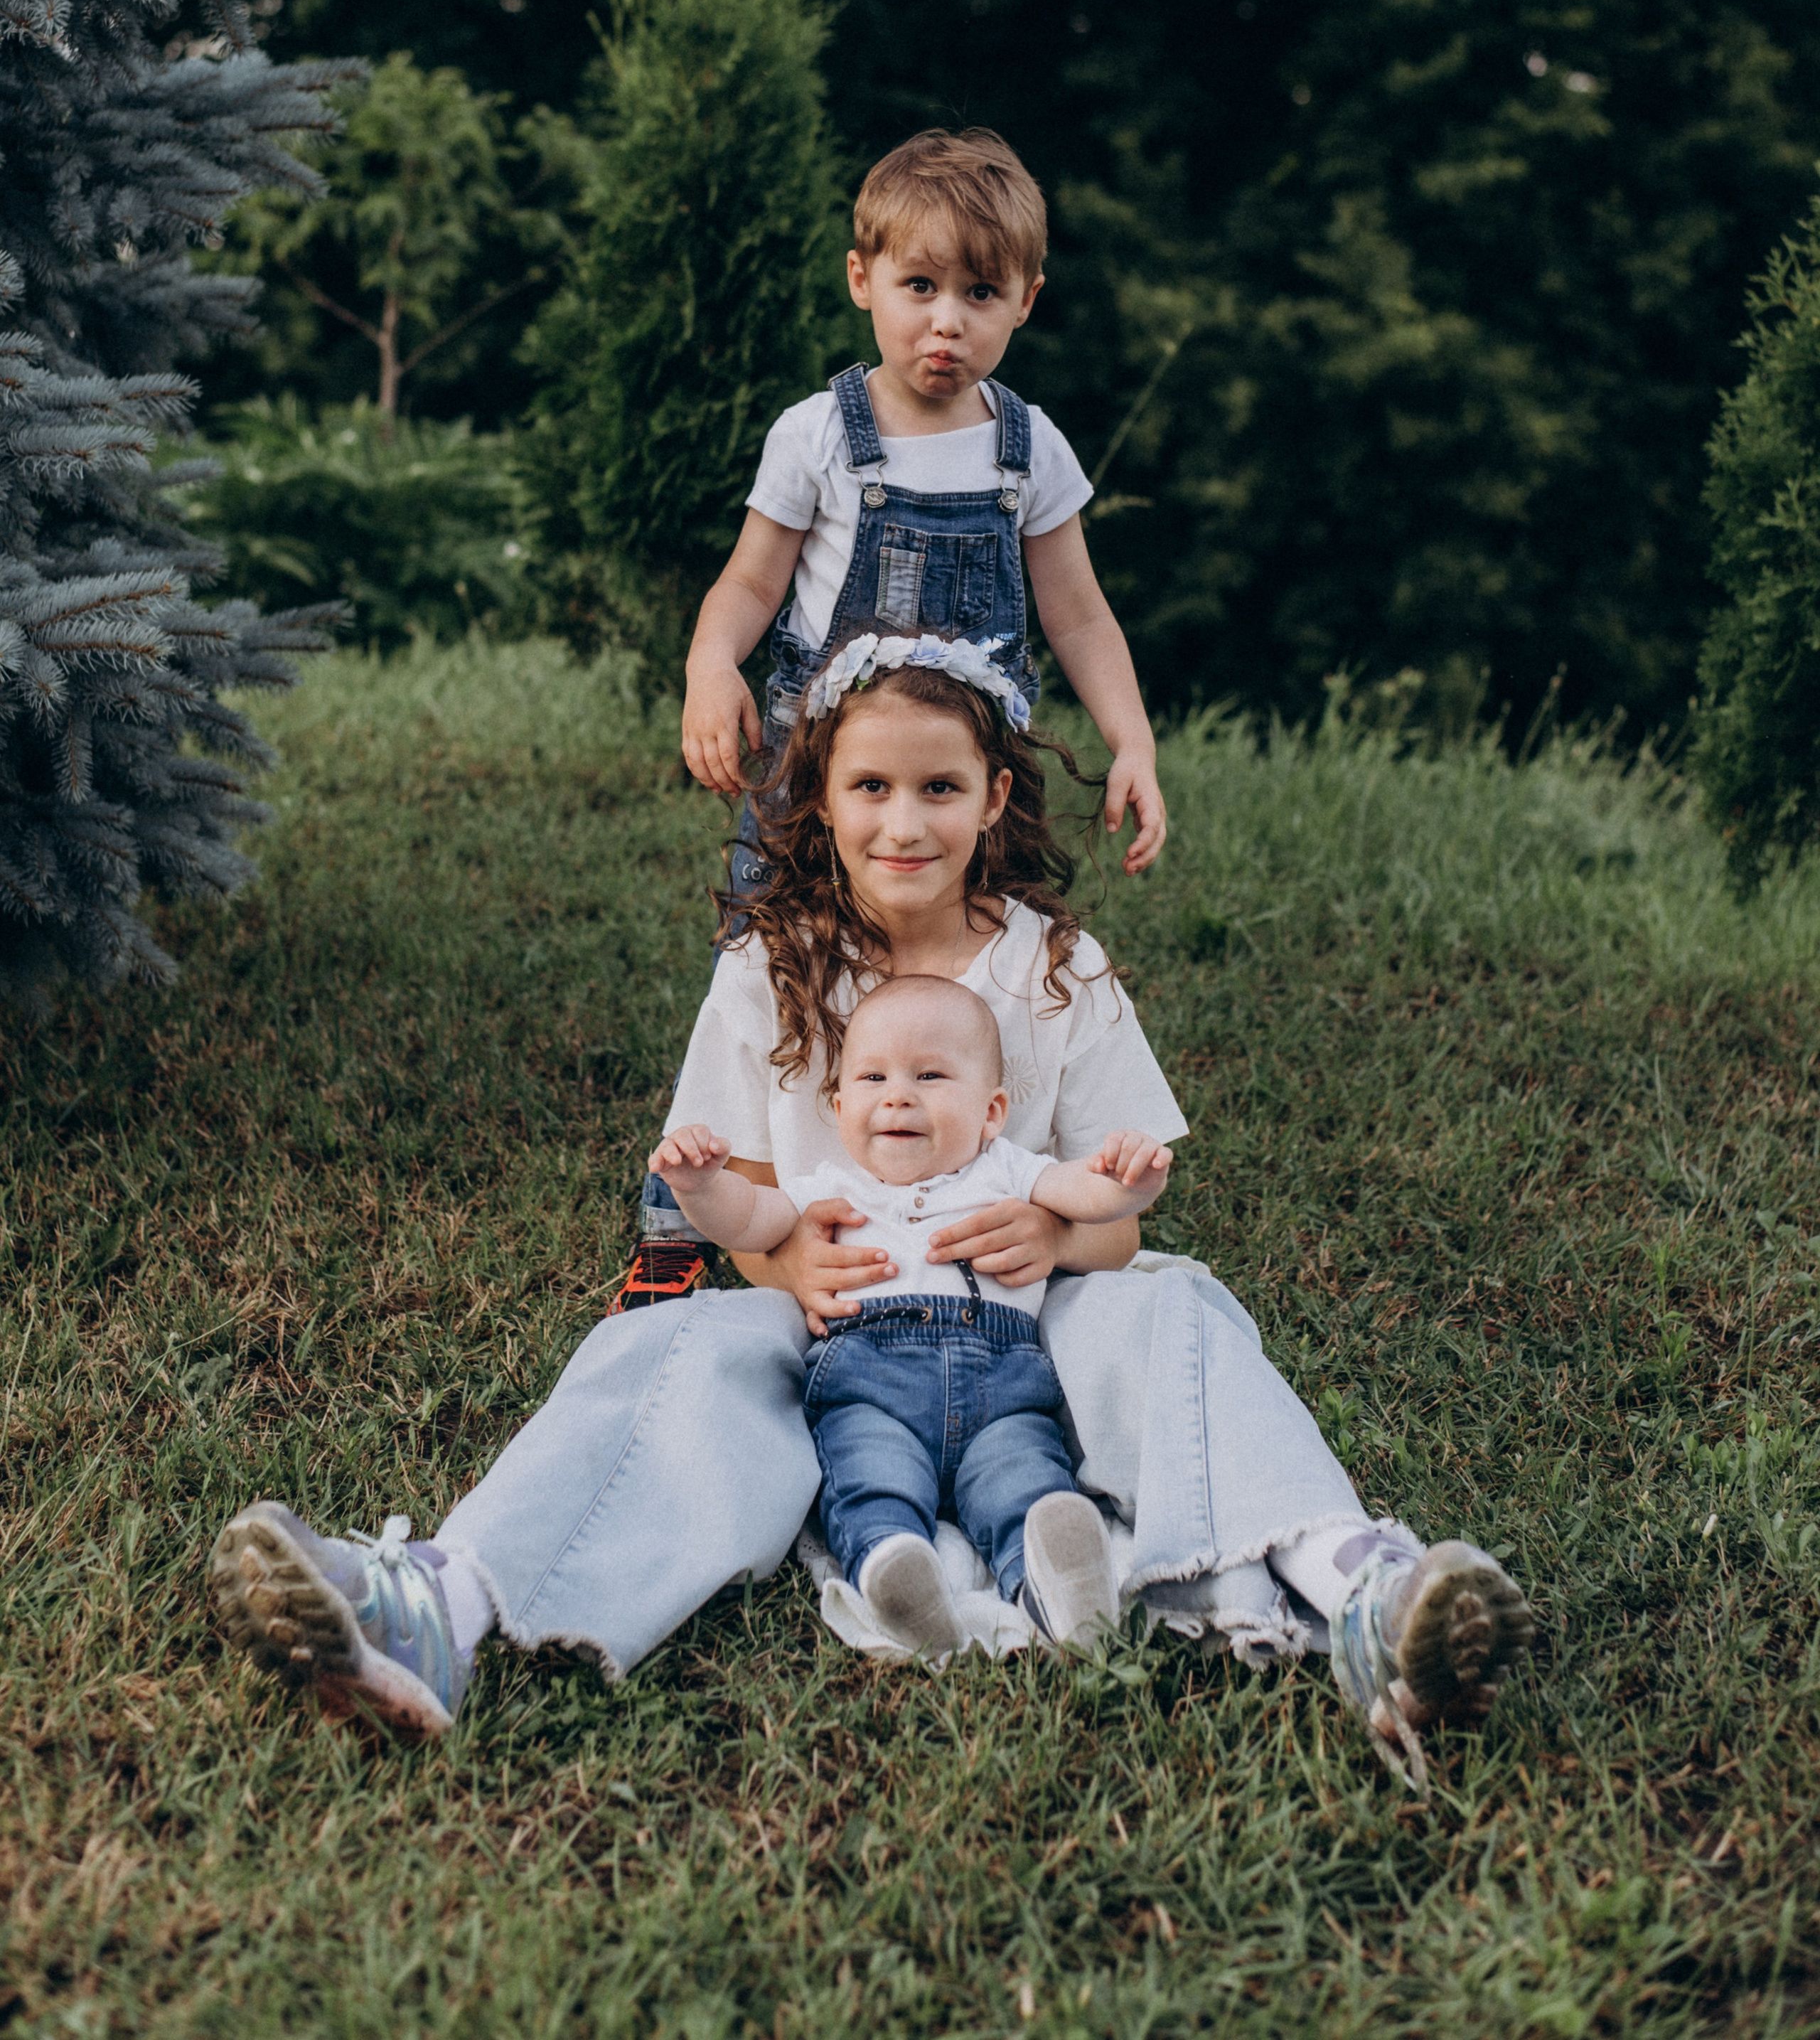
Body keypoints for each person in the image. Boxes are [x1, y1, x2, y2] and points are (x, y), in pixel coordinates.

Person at [210, 645, 1533, 1791]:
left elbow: (1120, 1212)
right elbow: (723, 1195)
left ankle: (1353, 1582)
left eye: (941, 787)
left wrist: (1066, 1238)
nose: (906, 821)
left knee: (1175, 1295)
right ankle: (439, 1600)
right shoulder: (766, 963)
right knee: (667, 1343)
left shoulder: (1057, 967)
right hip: (826, 1320)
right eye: (871, 788)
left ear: (996, 796)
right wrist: (783, 1256)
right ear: (822, 801)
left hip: (1032, 1314)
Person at [614, 124, 1165, 1309]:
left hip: (963, 768)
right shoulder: (821, 436)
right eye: (919, 287)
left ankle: (973, 1174)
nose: (946, 322)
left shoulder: (1030, 450)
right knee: (768, 966)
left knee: (973, 954)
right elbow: (753, 580)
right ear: (863, 280)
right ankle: (681, 1223)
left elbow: (1078, 610)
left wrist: (1132, 739)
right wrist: (714, 663)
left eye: (981, 292)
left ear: (1027, 299)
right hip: (824, 765)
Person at [651, 971, 1174, 1656]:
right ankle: (896, 1572)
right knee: (871, 1475)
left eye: (929, 1076)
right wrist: (700, 1187)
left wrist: (1132, 1181)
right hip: (871, 1390)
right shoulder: (830, 1187)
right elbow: (750, 1218)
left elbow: (1084, 1192)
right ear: (838, 1109)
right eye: (872, 1079)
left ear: (990, 1113)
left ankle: (1057, 1580)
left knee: (1025, 1477)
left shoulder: (1006, 1169)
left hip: (1004, 1394)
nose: (898, 1094)